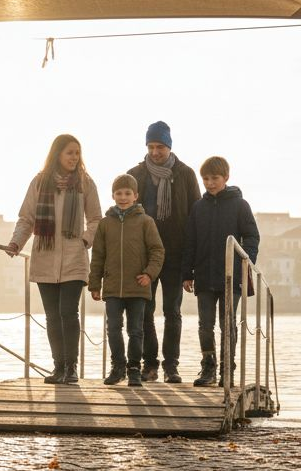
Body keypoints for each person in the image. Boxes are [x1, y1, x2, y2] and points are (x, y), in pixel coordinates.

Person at [8, 134, 103, 384]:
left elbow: (95, 219)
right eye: (69, 152)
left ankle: (71, 368)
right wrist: (16, 242)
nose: (74, 157)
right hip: (45, 255)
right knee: (52, 316)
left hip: (74, 258)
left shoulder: (85, 183)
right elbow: (27, 218)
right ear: (57, 153)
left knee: (68, 312)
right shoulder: (39, 182)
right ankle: (58, 366)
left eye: (77, 153)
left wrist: (84, 240)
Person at [127, 121, 200, 383]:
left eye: (160, 146)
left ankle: (171, 366)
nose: (155, 152)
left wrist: (191, 264)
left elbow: (195, 219)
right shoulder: (135, 175)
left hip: (176, 255)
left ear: (169, 146)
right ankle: (150, 365)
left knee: (172, 311)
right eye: (151, 146)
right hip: (143, 257)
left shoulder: (186, 174)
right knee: (145, 311)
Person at [182, 157, 259, 387]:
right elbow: (190, 242)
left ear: (226, 177)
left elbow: (252, 236)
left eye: (214, 178)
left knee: (228, 324)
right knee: (205, 325)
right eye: (205, 178)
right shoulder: (198, 207)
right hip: (204, 276)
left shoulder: (240, 205)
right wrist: (187, 273)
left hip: (231, 275)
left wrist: (246, 261)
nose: (210, 183)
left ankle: (228, 369)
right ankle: (208, 367)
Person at [88, 174, 164, 387]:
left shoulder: (145, 222)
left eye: (127, 193)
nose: (123, 197)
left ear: (135, 196)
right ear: (113, 195)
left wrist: (149, 274)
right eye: (119, 193)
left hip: (138, 287)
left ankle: (133, 369)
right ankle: (118, 367)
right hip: (112, 287)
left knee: (136, 330)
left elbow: (157, 250)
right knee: (113, 328)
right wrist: (95, 284)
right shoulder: (105, 224)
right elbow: (98, 256)